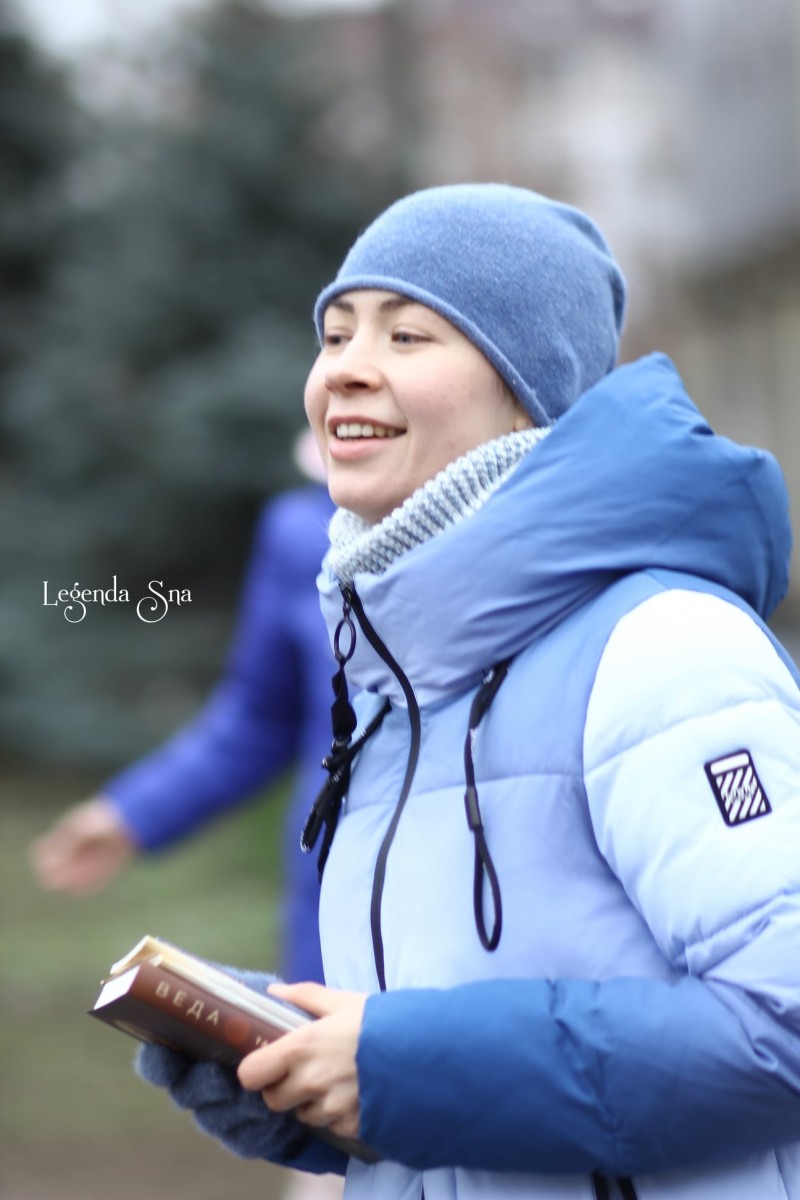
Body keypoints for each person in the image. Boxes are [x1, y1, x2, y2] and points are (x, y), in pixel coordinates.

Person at [134, 183, 800, 1200]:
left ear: (526, 394)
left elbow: (782, 1026)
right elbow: (468, 1066)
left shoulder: (664, 647)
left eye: (407, 335)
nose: (345, 367)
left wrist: (398, 1066)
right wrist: (311, 1080)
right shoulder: (396, 687)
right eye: (334, 334)